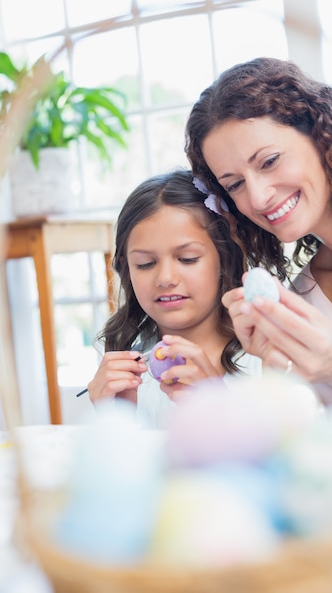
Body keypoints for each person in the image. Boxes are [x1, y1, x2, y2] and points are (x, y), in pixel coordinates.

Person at [185, 56, 332, 427]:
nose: (258, 198)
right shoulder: (304, 302)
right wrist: (279, 370)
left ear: (322, 134)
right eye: (235, 185)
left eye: (269, 161)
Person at [87, 169, 261, 427]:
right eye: (145, 264)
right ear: (127, 268)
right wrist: (114, 419)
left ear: (226, 259)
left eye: (187, 259)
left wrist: (219, 406)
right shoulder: (125, 364)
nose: (165, 278)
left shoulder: (261, 358)